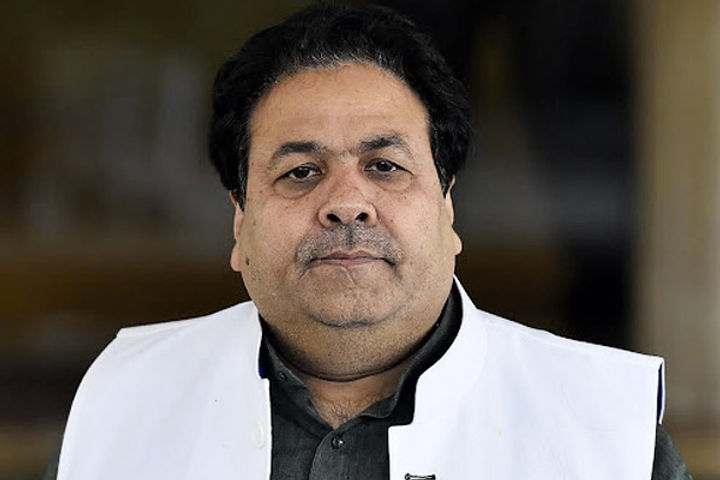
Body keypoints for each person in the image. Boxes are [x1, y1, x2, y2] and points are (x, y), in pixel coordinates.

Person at [46, 4, 692, 479]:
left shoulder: (604, 427)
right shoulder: (123, 399)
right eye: (301, 172)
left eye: (384, 166)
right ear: (239, 221)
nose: (347, 202)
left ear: (447, 207)